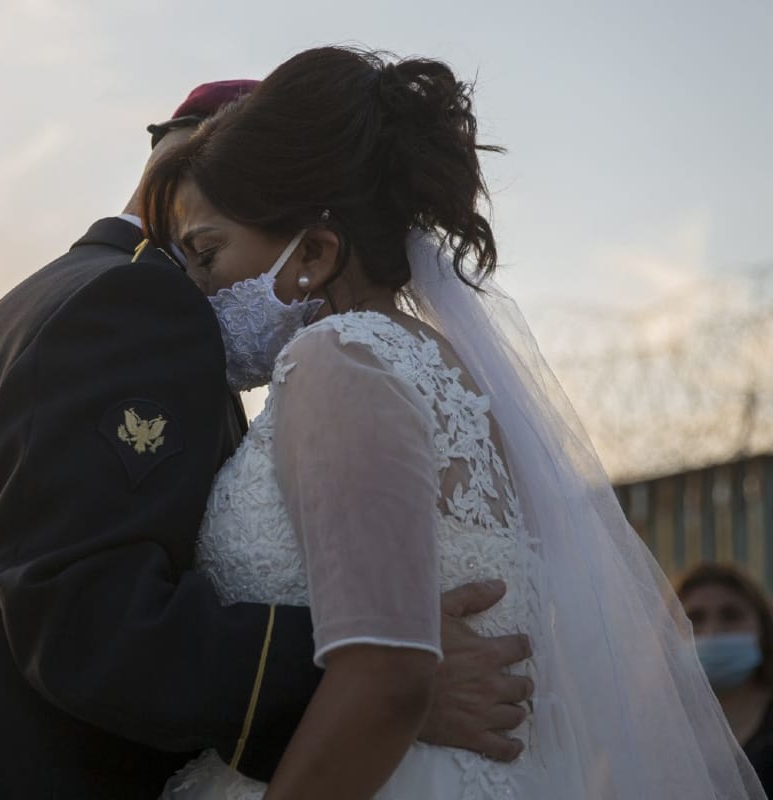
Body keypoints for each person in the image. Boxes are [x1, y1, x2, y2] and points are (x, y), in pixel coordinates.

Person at [0, 80, 533, 798]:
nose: (206, 282)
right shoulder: (137, 303)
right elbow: (86, 612)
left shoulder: (43, 300)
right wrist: (367, 677)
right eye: (201, 250)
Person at [142, 46, 765, 798]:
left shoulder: (339, 360)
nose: (200, 287)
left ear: (312, 250)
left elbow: (388, 677)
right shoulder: (445, 375)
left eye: (209, 254)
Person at [679, 562, 773, 791]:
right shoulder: (652, 726)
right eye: (695, 618)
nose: (713, 632)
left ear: (762, 630)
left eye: (731, 615)